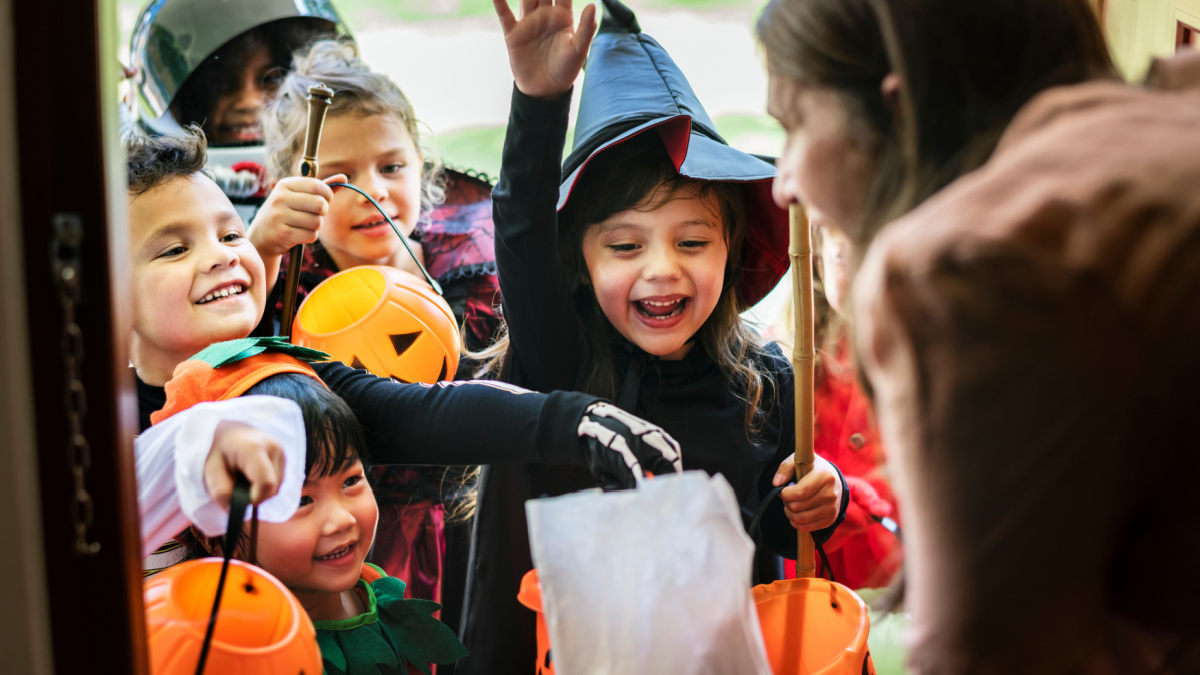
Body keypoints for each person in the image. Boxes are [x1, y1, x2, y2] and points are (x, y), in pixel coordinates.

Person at [760, 0, 1200, 671]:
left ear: (901, 115)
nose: (784, 184)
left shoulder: (961, 277)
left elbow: (991, 655)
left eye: (793, 127)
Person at [452, 1, 848, 670]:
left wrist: (820, 494)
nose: (662, 269)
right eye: (626, 245)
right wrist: (539, 103)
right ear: (578, 260)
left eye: (692, 240)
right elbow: (522, 231)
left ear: (734, 246)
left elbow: (777, 524)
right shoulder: (557, 358)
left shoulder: (767, 379)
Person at [125, 129, 683, 521]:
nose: (222, 256)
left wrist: (573, 420)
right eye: (175, 249)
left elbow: (424, 409)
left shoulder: (281, 376)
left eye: (230, 235)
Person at [249, 39, 505, 625]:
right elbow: (238, 352)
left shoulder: (471, 269)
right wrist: (261, 247)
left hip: (467, 520)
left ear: (423, 166)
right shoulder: (284, 281)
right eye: (341, 178)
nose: (376, 191)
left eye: (392, 167)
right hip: (352, 534)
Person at [148, 339, 468, 674]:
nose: (341, 519)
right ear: (214, 534)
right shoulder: (230, 652)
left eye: (350, 481)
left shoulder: (373, 587)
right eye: (300, 500)